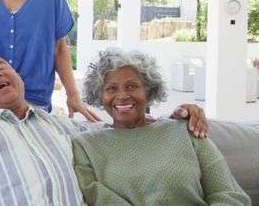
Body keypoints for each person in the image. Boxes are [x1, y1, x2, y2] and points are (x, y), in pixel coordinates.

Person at [0, 55, 209, 205]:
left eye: (2, 67)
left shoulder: (63, 126)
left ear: (18, 78)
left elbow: (125, 128)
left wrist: (174, 119)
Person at [72, 48, 250, 205]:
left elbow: (230, 195)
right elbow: (99, 199)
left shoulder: (185, 130)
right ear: (100, 96)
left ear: (148, 91)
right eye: (112, 89)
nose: (123, 96)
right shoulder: (86, 145)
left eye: (132, 86)